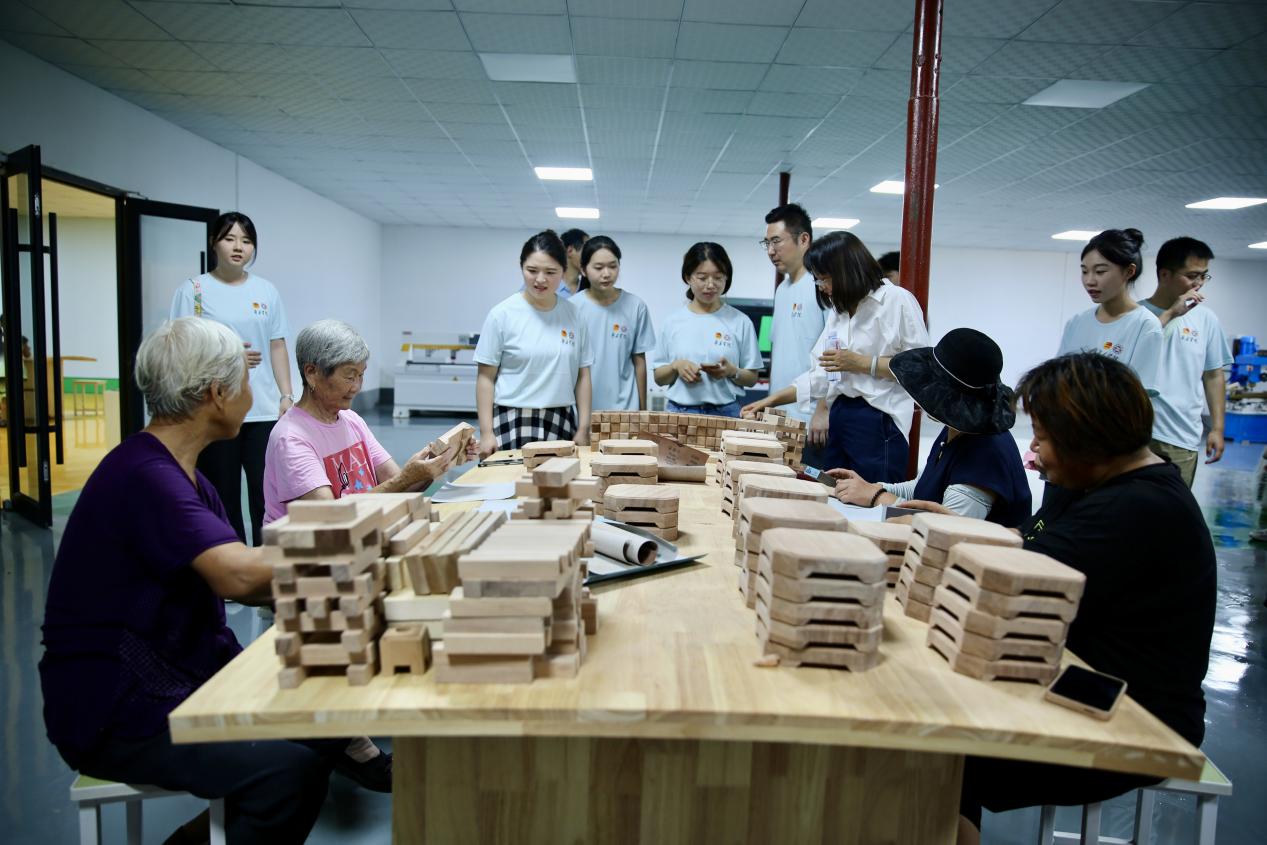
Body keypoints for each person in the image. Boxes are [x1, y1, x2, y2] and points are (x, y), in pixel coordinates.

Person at [38, 318, 394, 845]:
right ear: (216, 393)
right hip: (117, 706)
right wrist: (359, 546)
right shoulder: (146, 476)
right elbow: (240, 576)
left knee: (323, 727)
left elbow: (252, 569)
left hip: (181, 673)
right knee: (283, 775)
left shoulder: (183, 474)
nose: (252, 396)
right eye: (246, 383)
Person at [955, 353, 1215, 845]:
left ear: (1087, 437)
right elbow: (1028, 540)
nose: (1034, 450)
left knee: (946, 749)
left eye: (1043, 437)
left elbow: (1012, 580)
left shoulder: (1138, 507)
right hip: (1080, 683)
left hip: (1134, 718)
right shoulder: (1101, 482)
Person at [743, 231, 928, 482]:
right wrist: (771, 400)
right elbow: (821, 374)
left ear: (847, 271)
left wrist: (861, 363)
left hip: (878, 417)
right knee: (834, 490)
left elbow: (920, 367)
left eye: (825, 279)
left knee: (872, 494)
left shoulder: (896, 301)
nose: (823, 287)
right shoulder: (840, 310)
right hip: (840, 412)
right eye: (818, 281)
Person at [170, 211, 294, 546]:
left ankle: (268, 564)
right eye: (230, 238)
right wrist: (226, 353)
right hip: (216, 408)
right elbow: (181, 346)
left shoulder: (266, 291)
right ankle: (232, 563)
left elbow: (277, 344)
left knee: (266, 495)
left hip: (263, 410)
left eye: (247, 240)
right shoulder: (194, 291)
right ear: (214, 243)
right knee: (222, 494)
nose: (239, 247)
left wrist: (286, 395)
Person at [263, 320, 464, 522]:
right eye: (350, 377)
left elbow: (399, 487)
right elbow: (331, 516)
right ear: (312, 373)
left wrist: (436, 463)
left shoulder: (351, 420)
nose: (357, 387)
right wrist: (406, 478)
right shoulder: (291, 438)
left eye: (361, 375)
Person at [827, 328, 1031, 525]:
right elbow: (924, 488)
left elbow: (946, 528)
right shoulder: (957, 429)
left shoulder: (984, 456)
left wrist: (876, 496)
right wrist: (870, 487)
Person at [475, 230, 593, 459]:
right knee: (508, 482)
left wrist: (583, 427)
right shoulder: (502, 314)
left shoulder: (574, 315)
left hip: (560, 418)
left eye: (550, 272)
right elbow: (485, 378)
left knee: (561, 481)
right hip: (511, 418)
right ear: (521, 267)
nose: (540, 279)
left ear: (563, 271)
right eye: (532, 270)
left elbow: (583, 376)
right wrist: (486, 432)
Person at [1140, 237, 1232, 486]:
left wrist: (1217, 428)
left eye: (1204, 276)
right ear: (1164, 274)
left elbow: (1213, 375)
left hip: (1181, 437)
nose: (1198, 283)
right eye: (1192, 275)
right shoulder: (1136, 315)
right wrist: (1171, 314)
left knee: (1172, 507)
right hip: (1133, 434)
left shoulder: (1206, 319)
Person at [652, 242, 762, 417]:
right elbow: (659, 377)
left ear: (726, 278)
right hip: (680, 413)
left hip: (726, 412)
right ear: (688, 277)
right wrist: (676, 366)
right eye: (702, 278)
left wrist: (732, 371)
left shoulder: (740, 321)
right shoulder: (672, 322)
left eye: (718, 277)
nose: (710, 285)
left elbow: (751, 378)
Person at [1056, 228, 1162, 396]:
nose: (1089, 281)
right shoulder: (1076, 323)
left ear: (1129, 271)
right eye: (1084, 271)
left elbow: (1137, 396)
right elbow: (1058, 379)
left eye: (1100, 272)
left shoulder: (1145, 325)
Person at [572, 235, 656, 411]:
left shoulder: (636, 306)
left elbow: (639, 362)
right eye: (598, 267)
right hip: (583, 408)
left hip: (626, 409)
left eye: (612, 266)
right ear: (583, 270)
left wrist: (642, 411)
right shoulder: (573, 307)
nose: (606, 274)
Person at [763, 203, 827, 423]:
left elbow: (837, 352)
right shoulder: (782, 289)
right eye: (767, 243)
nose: (771, 251)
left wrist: (823, 409)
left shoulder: (823, 285)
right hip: (779, 414)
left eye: (776, 241)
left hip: (810, 417)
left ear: (803, 239)